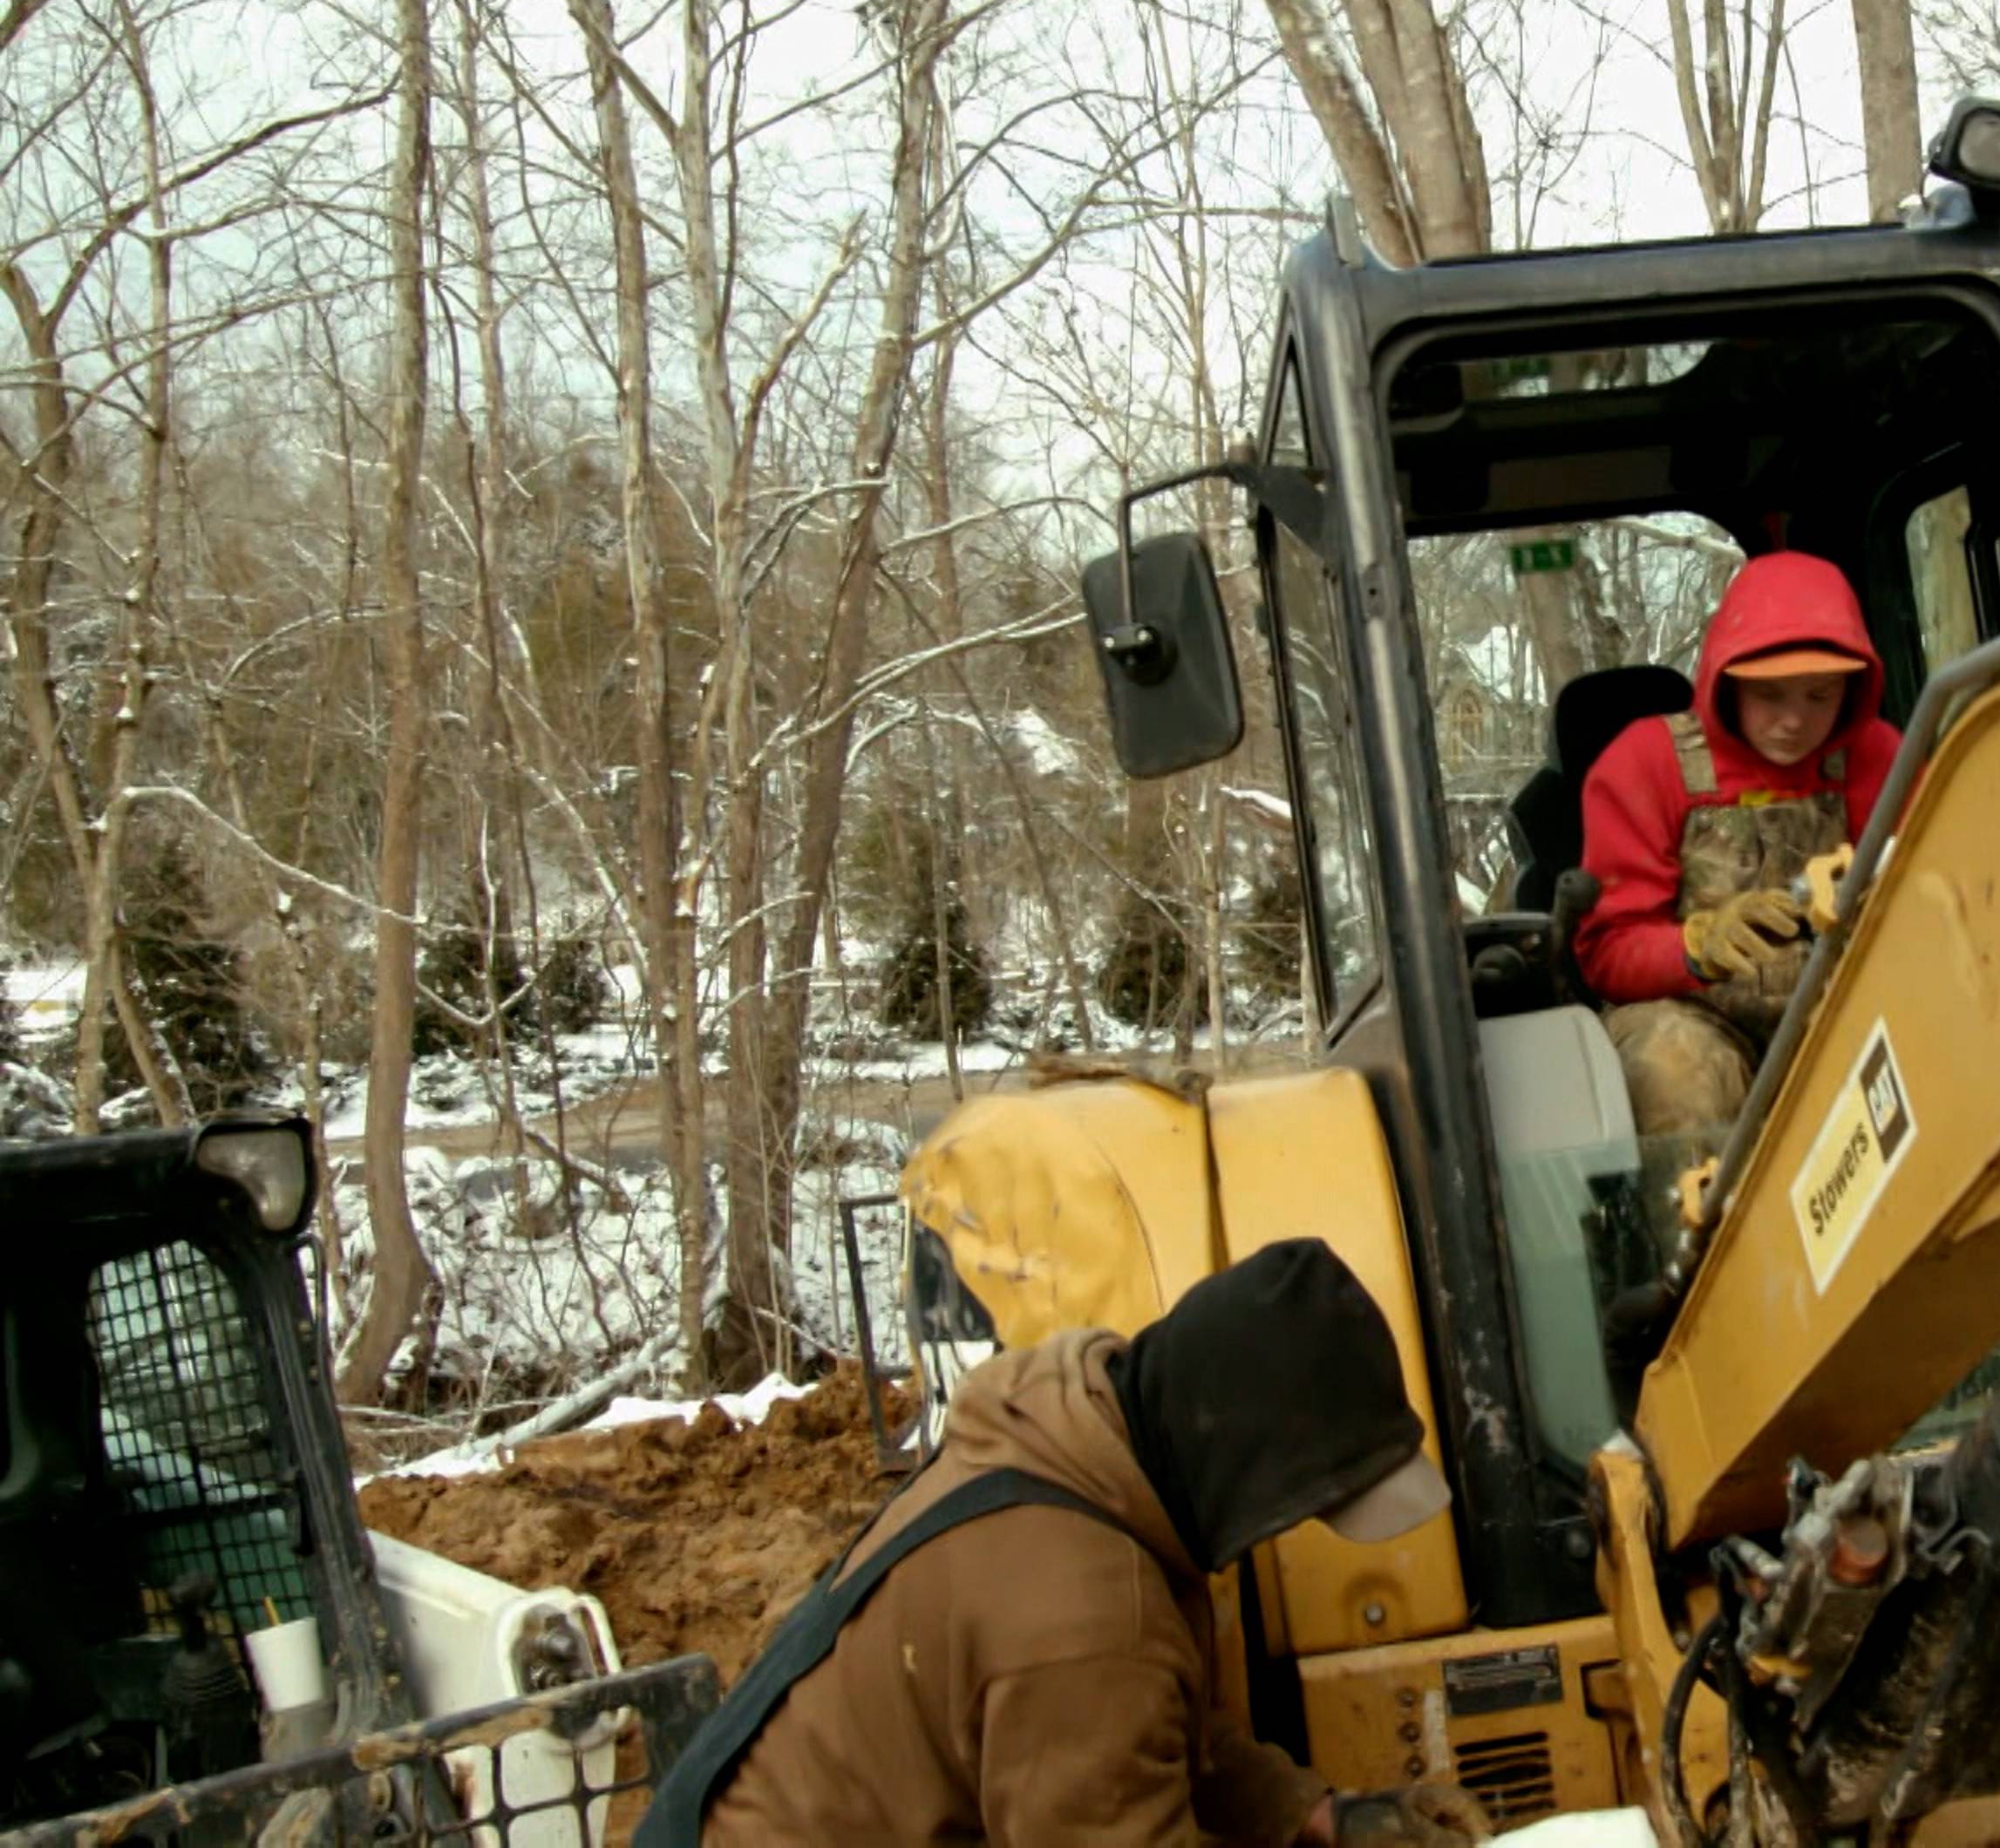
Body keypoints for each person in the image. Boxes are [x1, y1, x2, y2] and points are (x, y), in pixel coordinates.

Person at [642, 1240, 1493, 1848]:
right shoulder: (1082, 1614)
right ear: (1247, 1471)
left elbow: (1146, 1736)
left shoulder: (1070, 1444)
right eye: (1305, 1506)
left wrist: (1315, 1817)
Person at [1573, 551, 1902, 1135]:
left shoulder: (1877, 757)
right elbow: (1606, 953)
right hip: (1692, 1013)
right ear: (1726, 679)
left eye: (1819, 696)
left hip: (1837, 1007)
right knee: (1675, 1068)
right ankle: (1699, 1226)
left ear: (1852, 688)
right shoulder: (1647, 763)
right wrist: (1697, 947)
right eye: (1770, 695)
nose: (1794, 721)